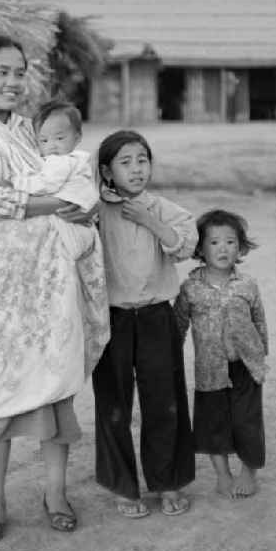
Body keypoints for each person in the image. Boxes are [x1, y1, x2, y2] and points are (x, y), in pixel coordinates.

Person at [0, 33, 109, 543]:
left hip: (50, 279)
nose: (13, 82)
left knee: (56, 385)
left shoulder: (33, 137)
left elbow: (76, 183)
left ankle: (55, 492)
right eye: (1, 73)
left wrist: (76, 200)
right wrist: (60, 203)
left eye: (19, 72)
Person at [92, 130, 197, 519]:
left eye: (142, 159)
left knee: (165, 402)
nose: (136, 169)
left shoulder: (162, 208)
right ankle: (123, 485)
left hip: (156, 316)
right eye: (125, 162)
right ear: (106, 170)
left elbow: (186, 245)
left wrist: (149, 220)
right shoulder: (94, 210)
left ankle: (167, 481)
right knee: (114, 405)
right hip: (111, 318)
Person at [174, 209, 268, 500]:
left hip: (245, 366)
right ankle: (223, 474)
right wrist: (170, 358)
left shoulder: (247, 284)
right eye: (214, 243)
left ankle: (249, 471)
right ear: (200, 249)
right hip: (210, 370)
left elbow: (259, 321)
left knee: (247, 422)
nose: (223, 248)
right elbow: (178, 325)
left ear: (240, 247)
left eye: (230, 242)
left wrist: (261, 355)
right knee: (213, 425)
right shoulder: (191, 288)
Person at [13, 99, 99, 260]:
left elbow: (46, 185)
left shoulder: (62, 161)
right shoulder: (77, 158)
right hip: (76, 213)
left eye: (59, 139)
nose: (52, 145)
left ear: (77, 137)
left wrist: (17, 182)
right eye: (44, 140)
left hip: (68, 219)